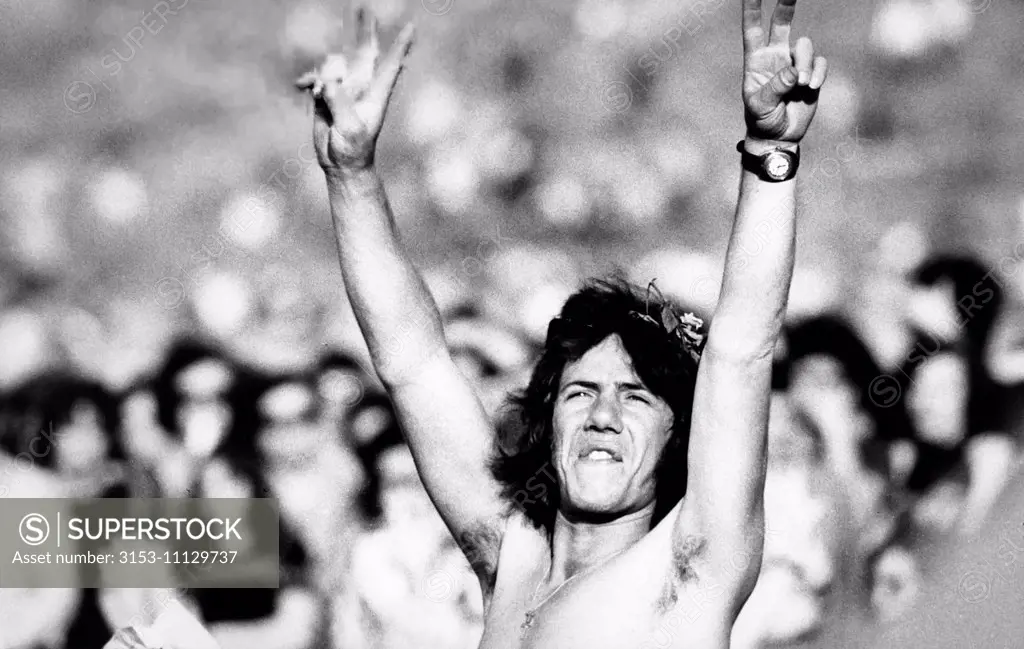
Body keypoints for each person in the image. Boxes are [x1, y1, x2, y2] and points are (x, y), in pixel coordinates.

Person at [299, 0, 827, 646]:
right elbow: (413, 363)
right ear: (547, 418)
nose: (603, 414)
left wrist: (771, 153)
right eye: (581, 391)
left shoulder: (688, 567)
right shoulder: (512, 557)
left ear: (677, 435)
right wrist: (350, 175)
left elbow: (742, 348)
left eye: (635, 397)